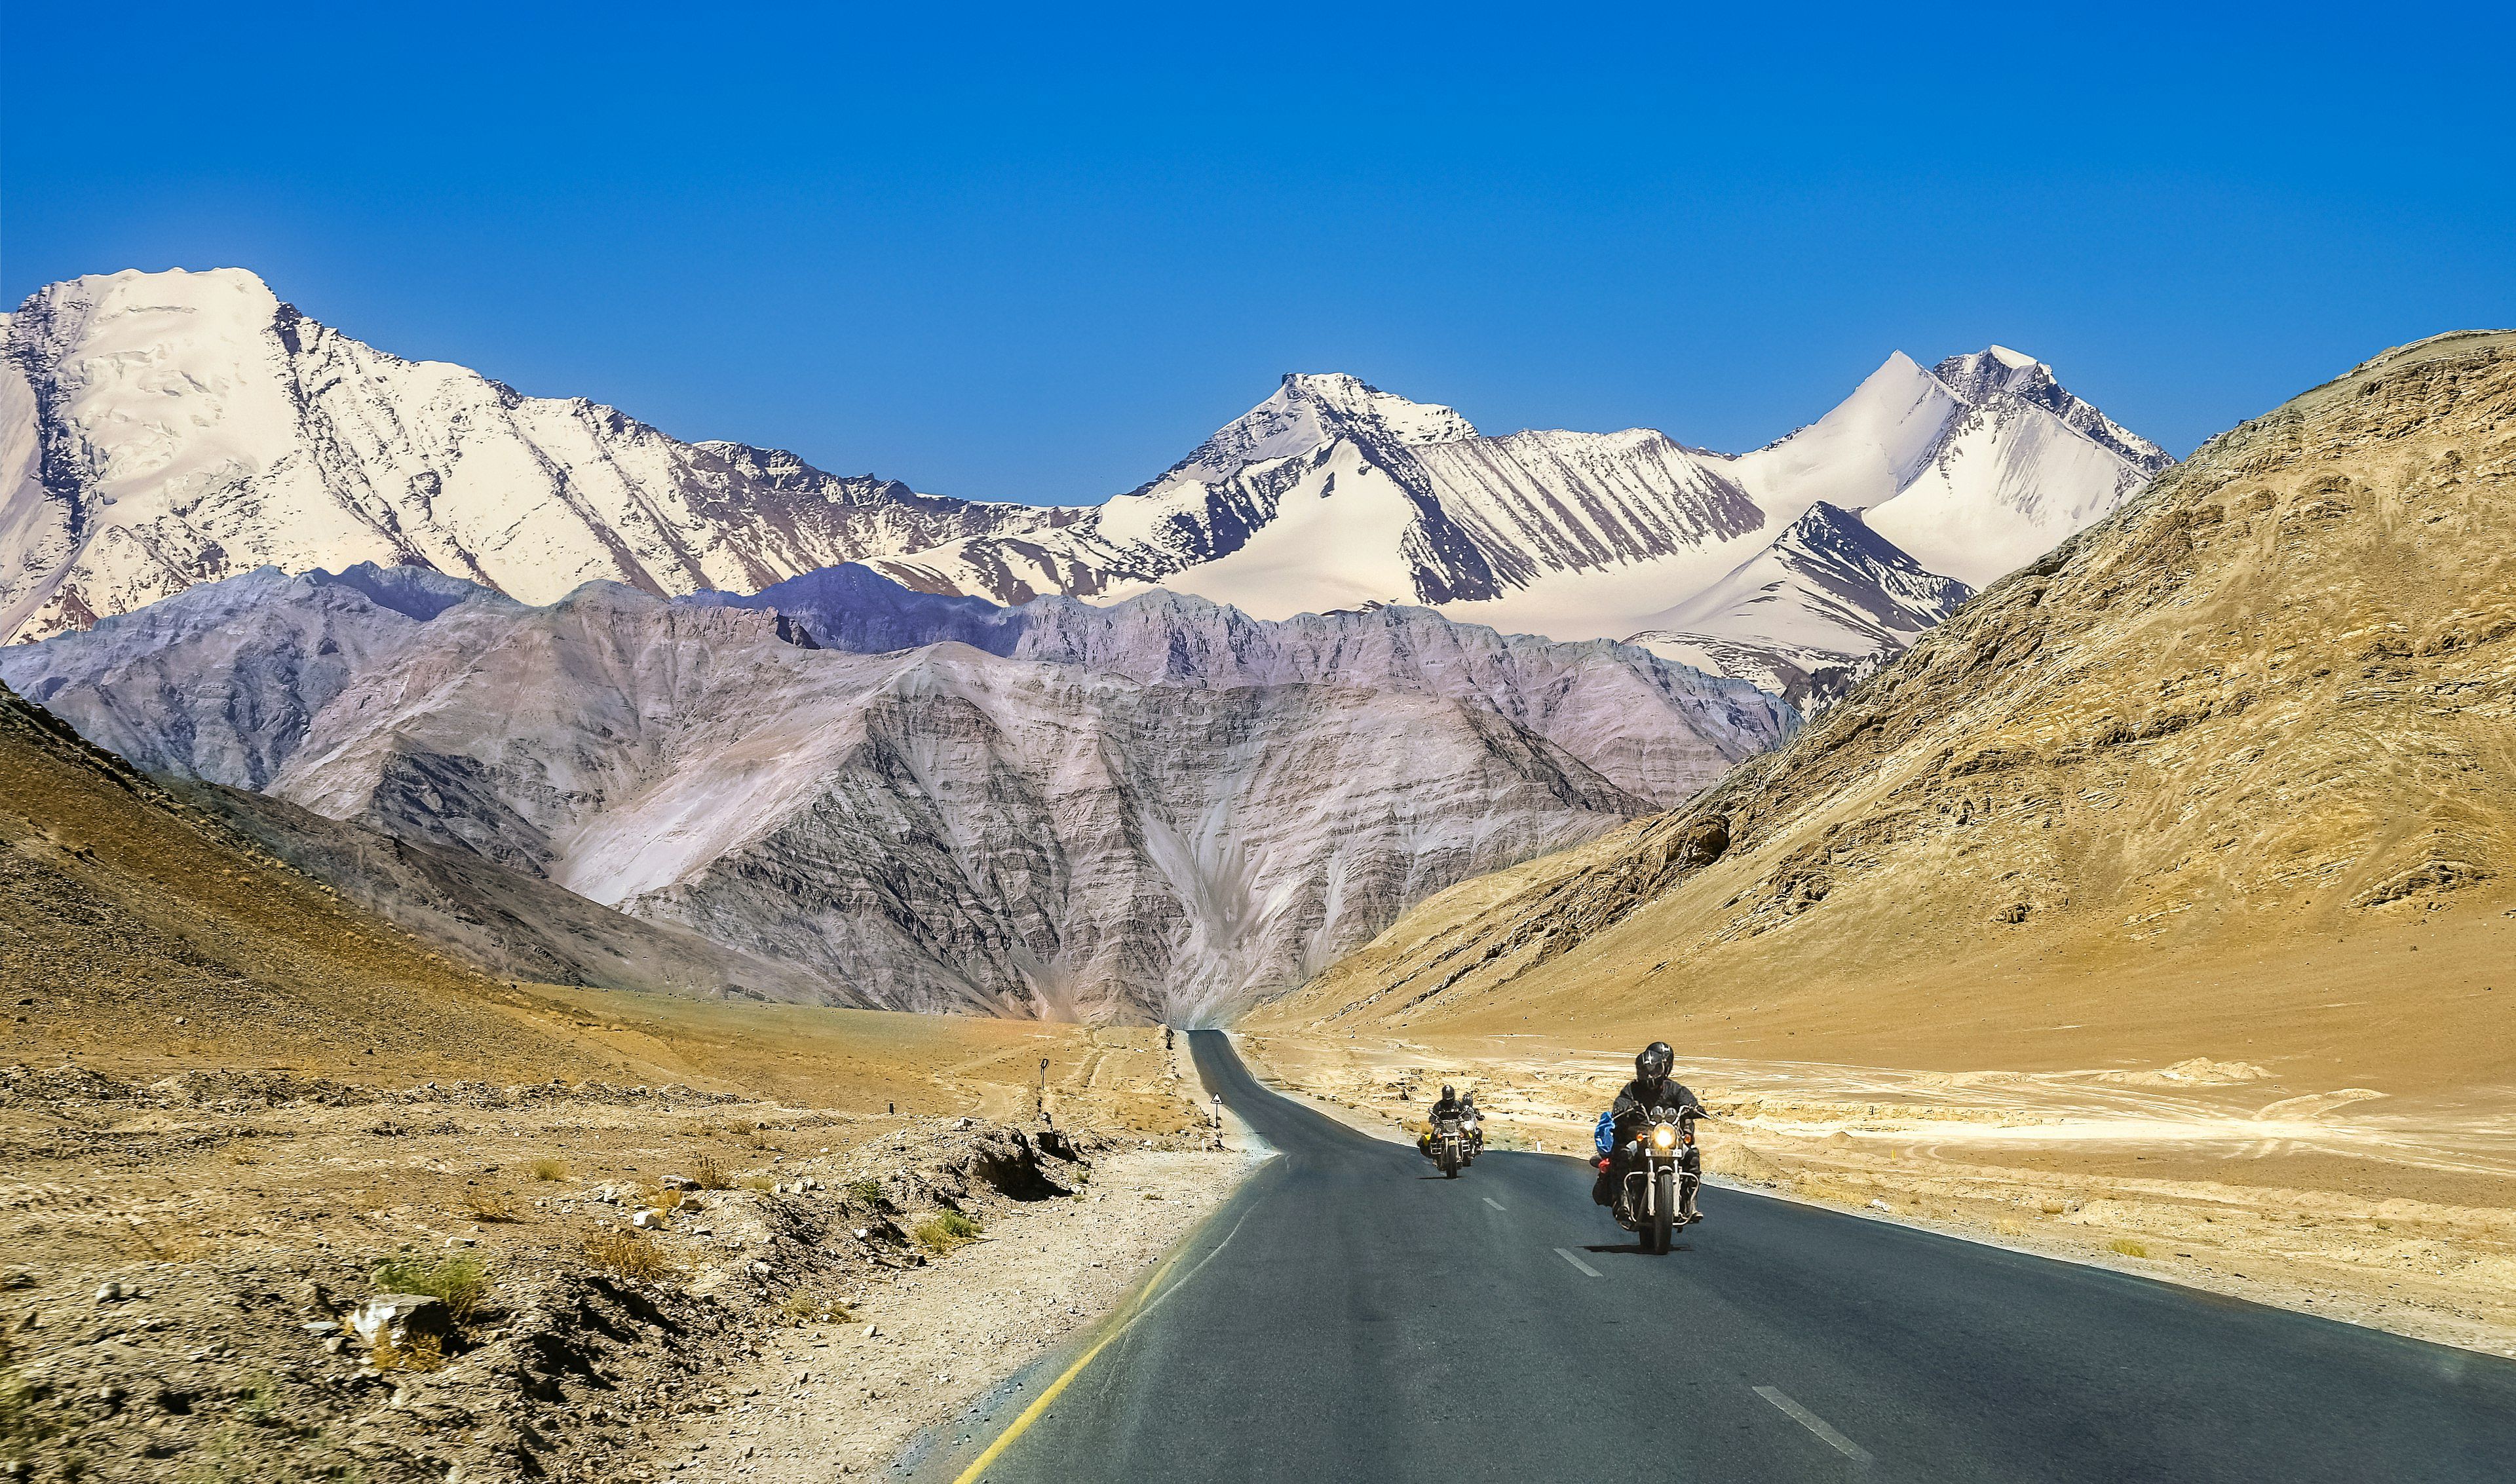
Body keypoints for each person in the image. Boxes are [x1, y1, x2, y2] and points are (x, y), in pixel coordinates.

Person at [1590, 1042, 1704, 1225]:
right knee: (1624, 1154)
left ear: (1663, 1068)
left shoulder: (1673, 1089)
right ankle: (1623, 1201)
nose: (1651, 1075)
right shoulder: (1632, 1090)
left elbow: (1687, 1099)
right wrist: (1624, 1108)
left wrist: (1694, 1107)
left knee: (1692, 1154)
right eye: (1646, 1071)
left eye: (1655, 1069)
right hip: (1641, 1138)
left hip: (1667, 1137)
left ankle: (1691, 1203)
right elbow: (1621, 1103)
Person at [1418, 1084, 1464, 1158]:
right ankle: (1435, 1156)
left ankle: (1468, 1153)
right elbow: (1433, 1115)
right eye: (1446, 1095)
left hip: (1456, 1125)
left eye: (1449, 1095)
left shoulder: (1458, 1104)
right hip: (1441, 1125)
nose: (1448, 1097)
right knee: (1434, 1135)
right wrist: (1433, 1119)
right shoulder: (1438, 1105)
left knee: (1467, 1134)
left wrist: (1465, 1116)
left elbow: (1464, 1112)